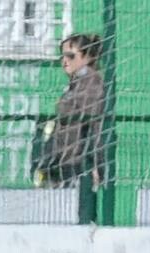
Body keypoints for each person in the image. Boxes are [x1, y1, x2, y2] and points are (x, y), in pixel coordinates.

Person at [32, 33, 106, 187]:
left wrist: (95, 165)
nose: (65, 61)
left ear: (87, 57)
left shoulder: (91, 84)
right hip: (64, 161)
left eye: (71, 56)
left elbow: (94, 126)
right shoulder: (76, 83)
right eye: (62, 56)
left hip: (77, 164)